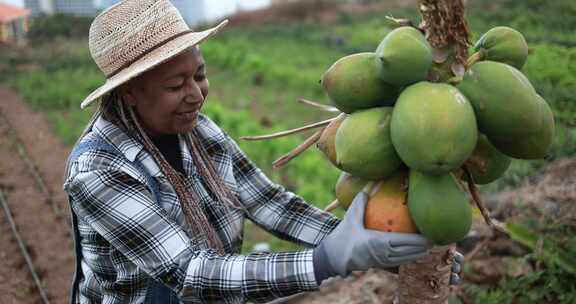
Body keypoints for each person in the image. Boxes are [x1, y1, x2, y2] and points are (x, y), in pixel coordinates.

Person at [63, 1, 462, 303]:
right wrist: (326, 260)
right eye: (175, 86)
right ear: (130, 93)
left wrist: (369, 246)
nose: (195, 95)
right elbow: (188, 272)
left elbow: (268, 203)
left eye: (199, 75)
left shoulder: (197, 129)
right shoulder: (98, 170)